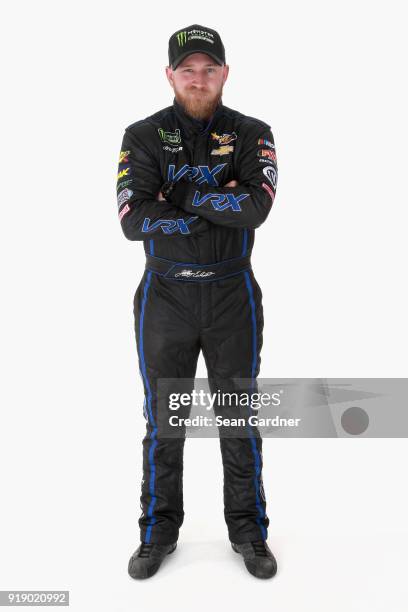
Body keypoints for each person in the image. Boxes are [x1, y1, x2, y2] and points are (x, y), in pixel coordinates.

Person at [116, 24, 278, 580]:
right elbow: (134, 219)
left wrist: (179, 194)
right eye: (188, 69)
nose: (199, 78)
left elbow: (255, 208)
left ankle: (249, 531)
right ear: (170, 75)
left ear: (226, 73)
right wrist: (217, 201)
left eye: (210, 68)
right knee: (165, 421)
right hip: (165, 298)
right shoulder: (141, 136)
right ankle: (158, 531)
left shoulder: (254, 133)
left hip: (233, 295)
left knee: (240, 418)